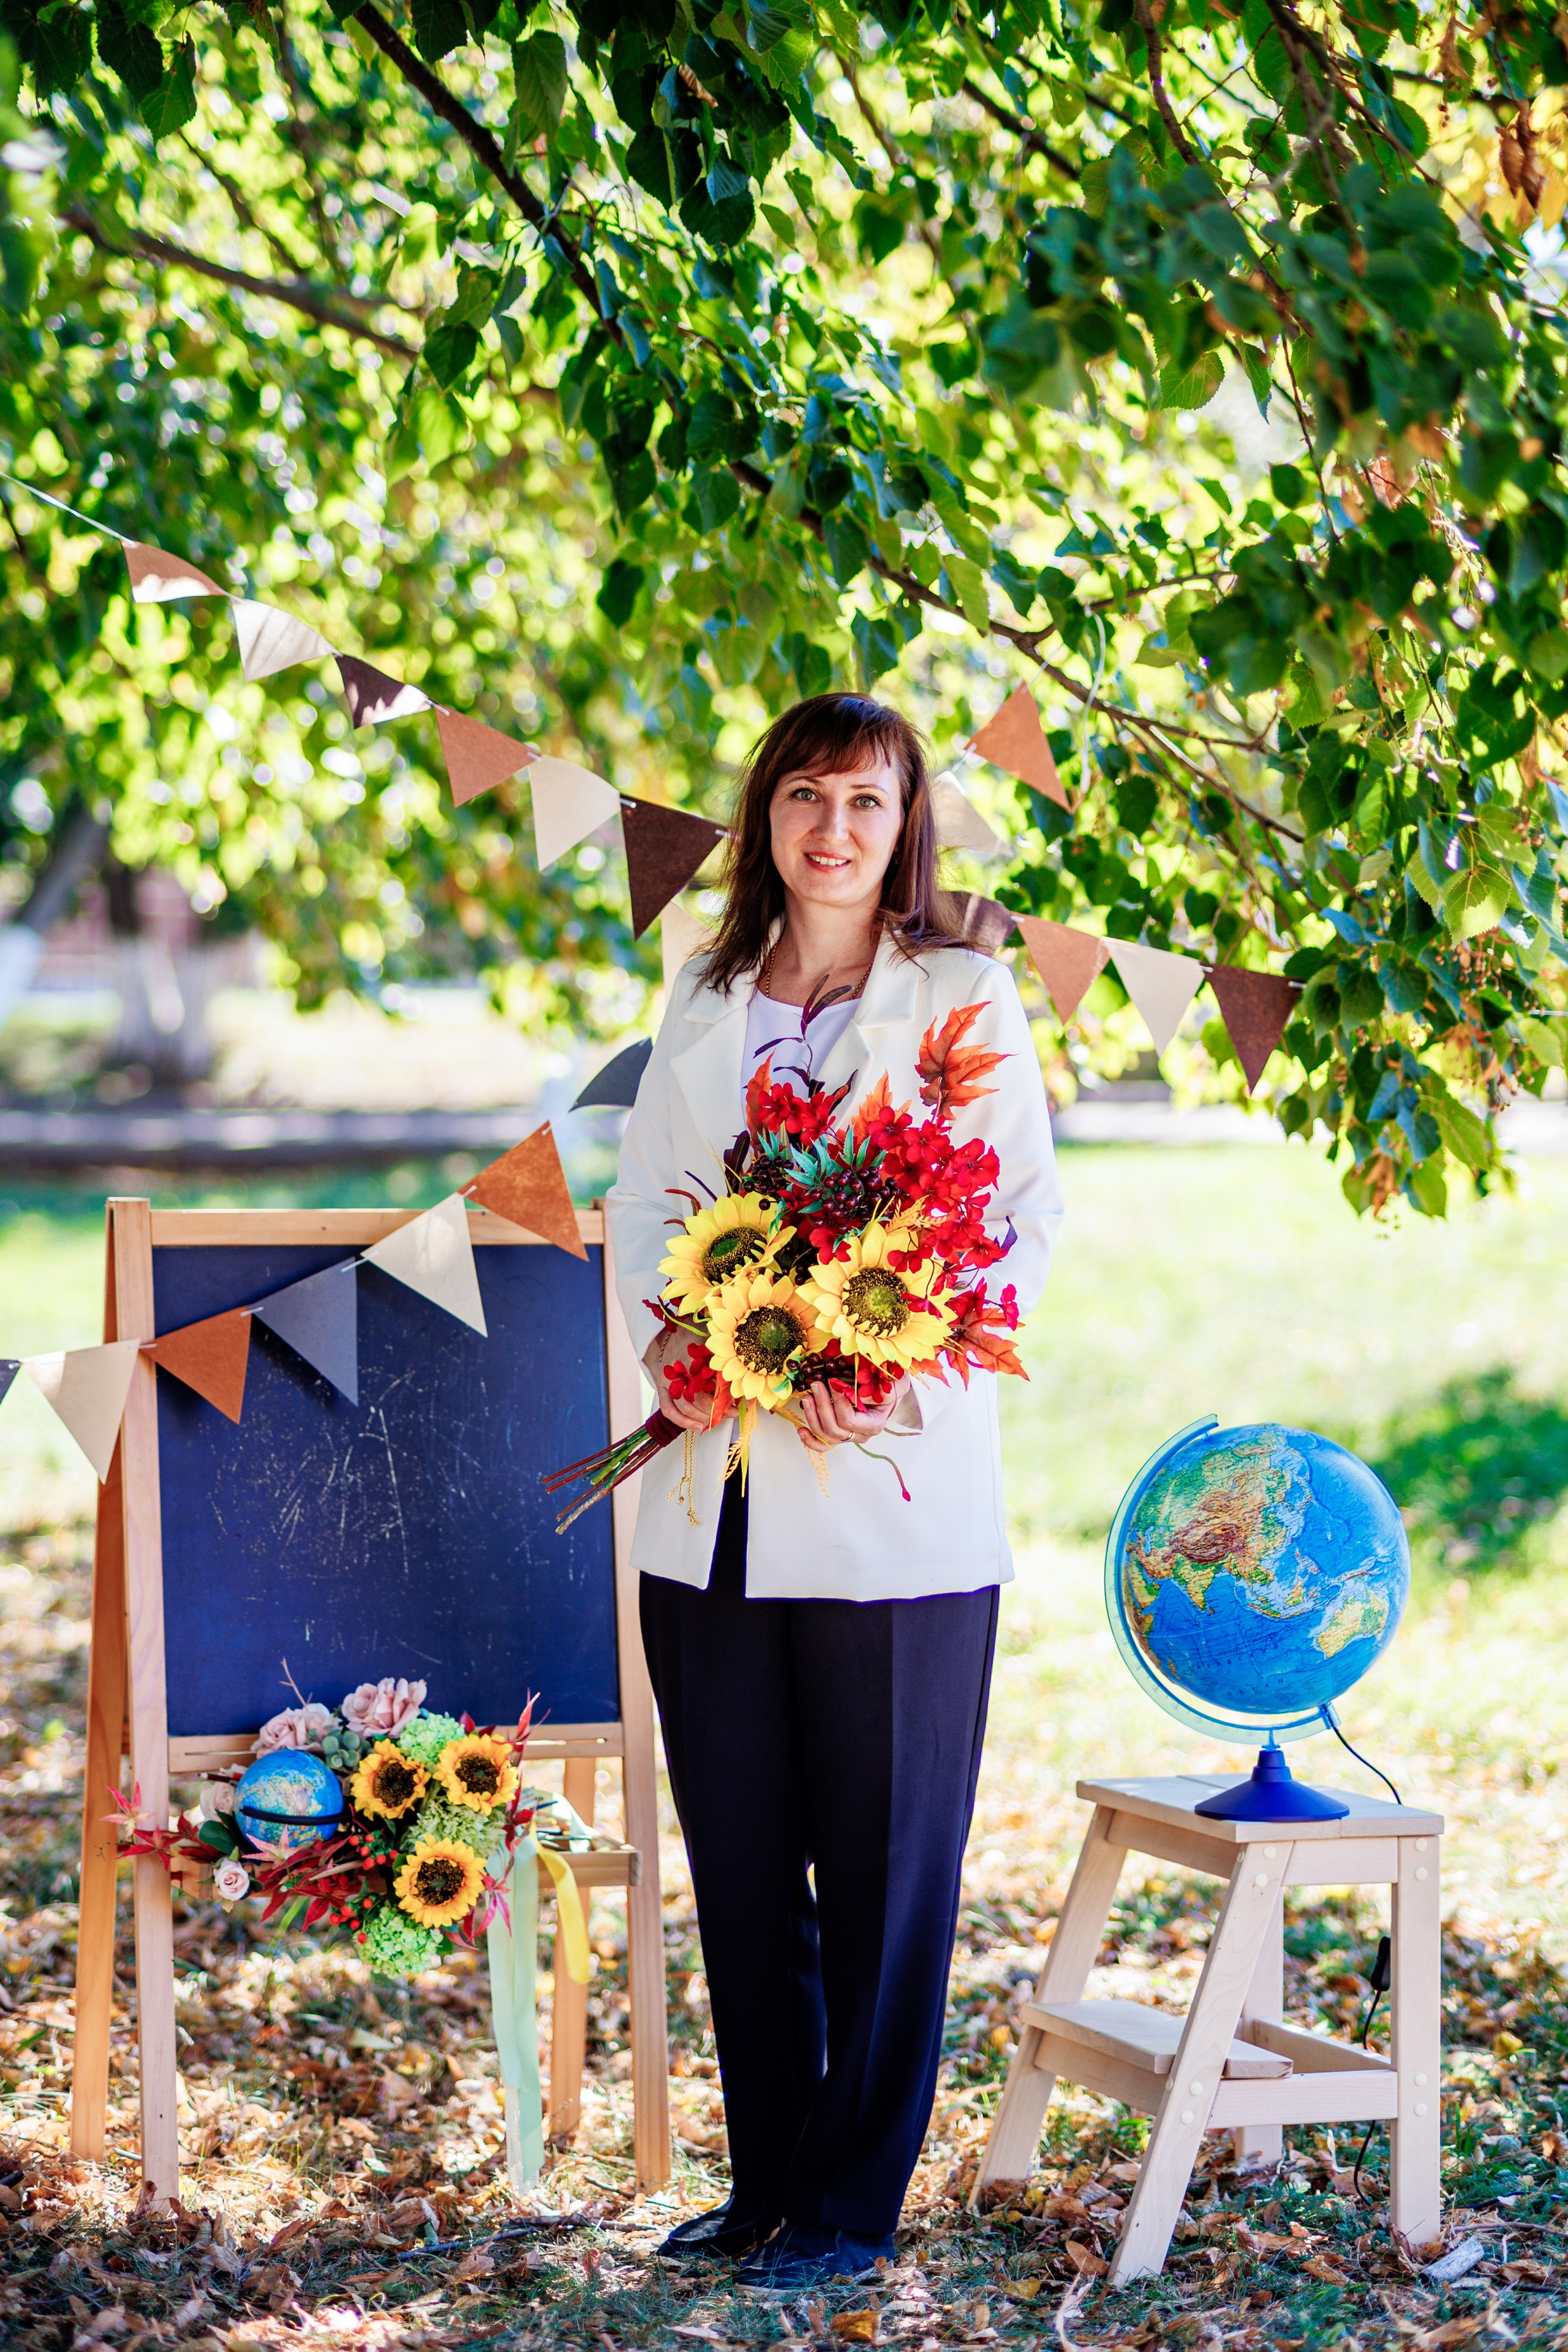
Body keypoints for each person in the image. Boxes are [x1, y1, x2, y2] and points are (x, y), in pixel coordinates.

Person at [606, 693, 1063, 2293]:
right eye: (804, 796)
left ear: (906, 822)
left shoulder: (965, 992)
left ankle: (854, 2212)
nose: (833, 830)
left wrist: (870, 1334)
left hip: (889, 1499)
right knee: (741, 1860)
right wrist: (675, 1335)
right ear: (764, 817)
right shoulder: (705, 987)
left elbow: (1008, 1226)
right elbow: (644, 1204)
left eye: (865, 802)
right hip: (706, 1499)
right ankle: (767, 2189)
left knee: (880, 1871)